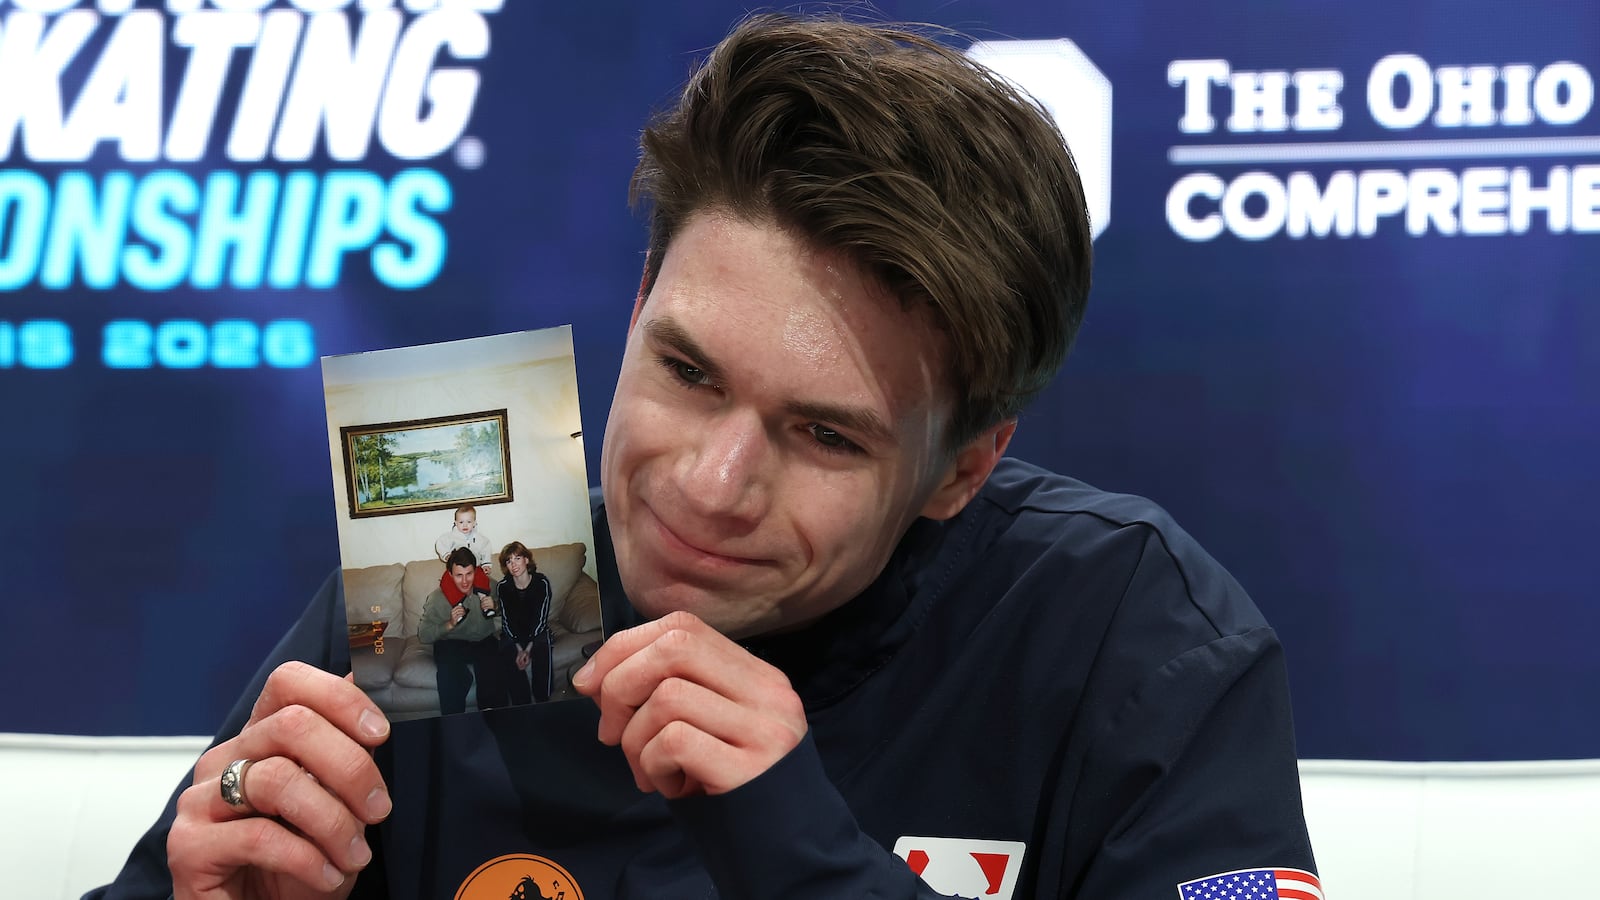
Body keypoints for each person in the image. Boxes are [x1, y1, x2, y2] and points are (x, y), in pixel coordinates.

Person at [97, 12, 1317, 900]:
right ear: (636, 309)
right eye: (687, 374)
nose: (707, 484)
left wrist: (803, 857)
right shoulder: (457, 554)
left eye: (825, 433)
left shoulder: (1129, 630)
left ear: (964, 468)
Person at [418, 547, 504, 716]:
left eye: (469, 574)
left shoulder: (491, 586)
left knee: (493, 670)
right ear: (450, 575)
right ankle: (454, 723)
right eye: (459, 575)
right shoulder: (437, 598)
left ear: (476, 571)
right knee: (449, 675)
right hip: (451, 643)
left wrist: (496, 606)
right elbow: (423, 634)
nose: (465, 581)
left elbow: (511, 610)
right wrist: (449, 624)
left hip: (483, 641)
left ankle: (493, 721)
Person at [496, 541, 556, 705]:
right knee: (505, 649)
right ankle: (521, 704)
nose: (513, 564)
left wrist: (528, 649)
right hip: (514, 635)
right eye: (509, 561)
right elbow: (506, 621)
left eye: (517, 558)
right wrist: (518, 648)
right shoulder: (503, 587)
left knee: (542, 644)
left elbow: (541, 619)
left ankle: (543, 699)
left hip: (537, 632)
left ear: (527, 560)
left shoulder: (541, 583)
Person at [433, 505, 496, 613]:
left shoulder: (480, 539)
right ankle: (458, 606)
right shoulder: (451, 537)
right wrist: (447, 555)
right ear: (455, 523)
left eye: (469, 522)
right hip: (456, 568)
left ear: (475, 522)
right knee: (446, 582)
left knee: (482, 579)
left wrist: (486, 564)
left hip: (474, 567)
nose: (465, 525)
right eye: (461, 522)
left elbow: (486, 549)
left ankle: (484, 602)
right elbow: (440, 543)